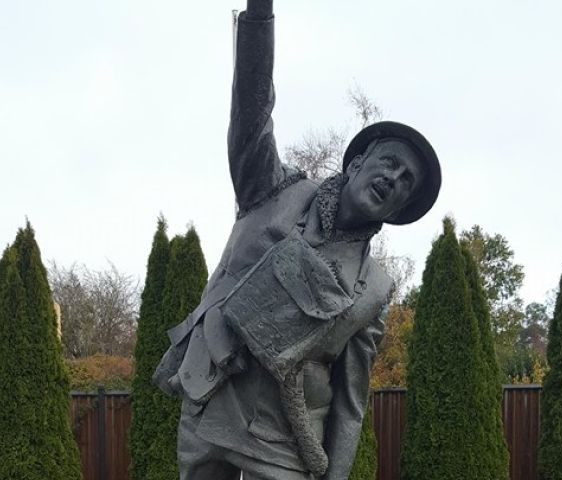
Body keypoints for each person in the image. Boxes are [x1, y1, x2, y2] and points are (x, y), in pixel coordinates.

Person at [153, 1, 441, 478]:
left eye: (407, 181)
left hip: (287, 439)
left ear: (398, 211)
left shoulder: (372, 289)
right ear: (355, 165)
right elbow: (251, 111)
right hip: (213, 401)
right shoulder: (272, 189)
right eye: (389, 162)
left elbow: (351, 402)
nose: (395, 178)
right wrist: (259, 15)